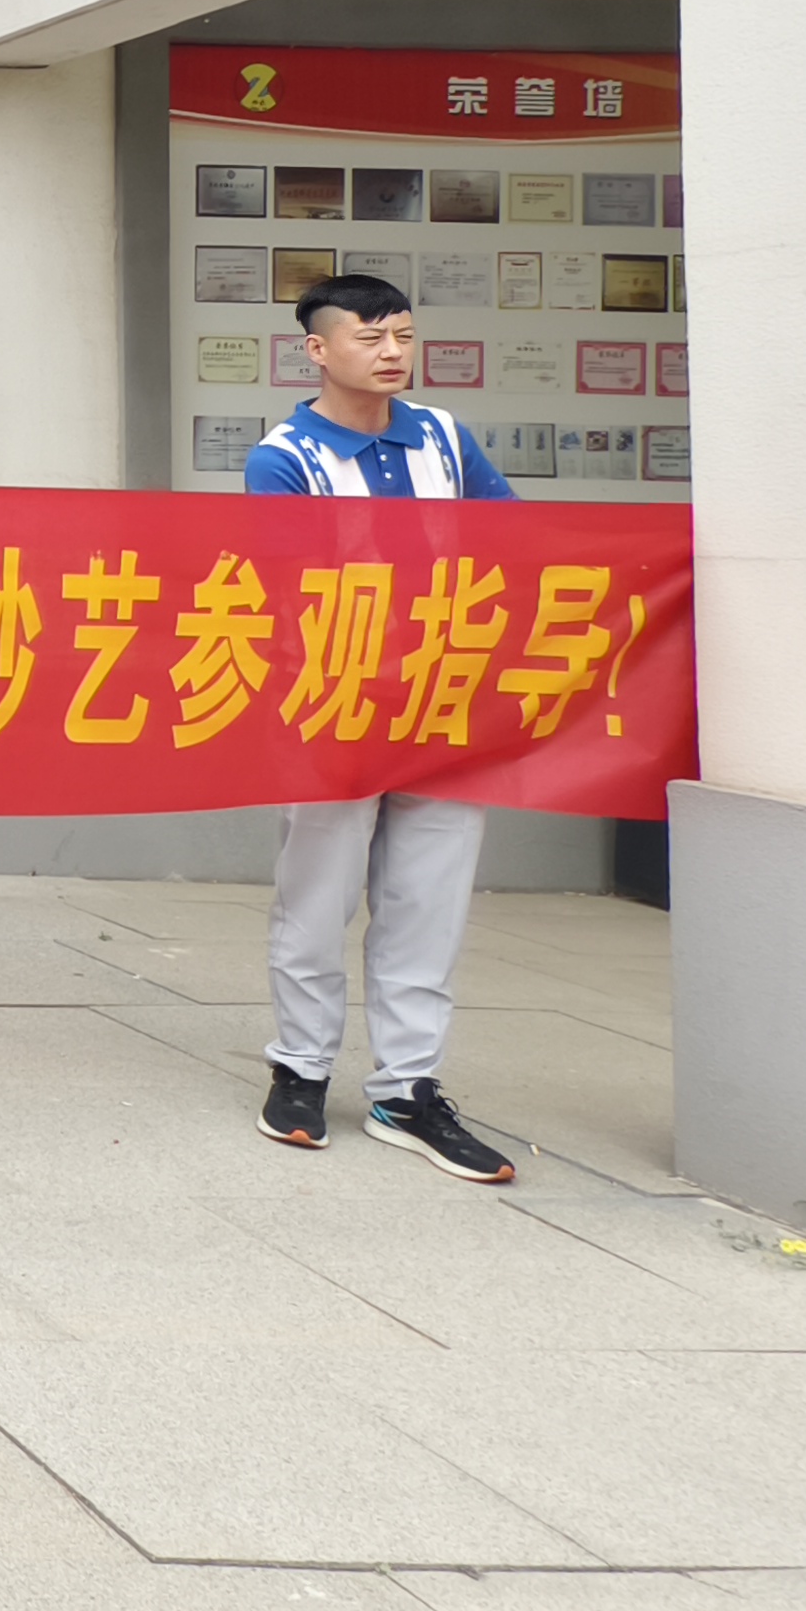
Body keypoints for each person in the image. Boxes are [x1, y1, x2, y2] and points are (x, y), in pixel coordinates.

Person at [243, 273, 522, 1183]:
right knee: (316, 900)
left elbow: (514, 539)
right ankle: (300, 1071)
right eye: (370, 338)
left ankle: (408, 1091)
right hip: (336, 706)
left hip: (444, 703)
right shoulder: (285, 458)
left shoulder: (442, 434)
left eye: (402, 334)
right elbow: (289, 589)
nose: (392, 352)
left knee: (427, 904)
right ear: (318, 350)